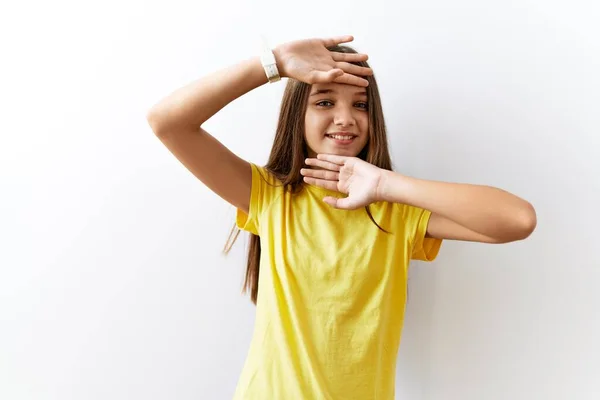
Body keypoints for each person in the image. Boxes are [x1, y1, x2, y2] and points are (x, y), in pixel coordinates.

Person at [146, 35, 537, 400]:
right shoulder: (269, 196)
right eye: (325, 101)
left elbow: (517, 220)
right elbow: (168, 122)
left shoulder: (395, 211)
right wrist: (275, 63)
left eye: (360, 104)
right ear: (296, 115)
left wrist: (387, 185)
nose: (346, 118)